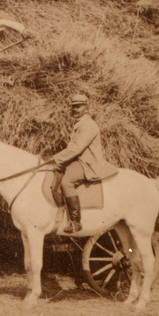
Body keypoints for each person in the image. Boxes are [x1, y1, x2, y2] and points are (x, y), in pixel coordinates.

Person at [50, 94, 118, 235]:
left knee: (67, 181)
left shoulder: (88, 125)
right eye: (73, 106)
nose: (75, 109)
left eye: (79, 106)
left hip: (89, 163)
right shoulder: (79, 124)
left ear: (86, 108)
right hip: (80, 161)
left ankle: (75, 222)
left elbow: (77, 148)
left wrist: (56, 158)